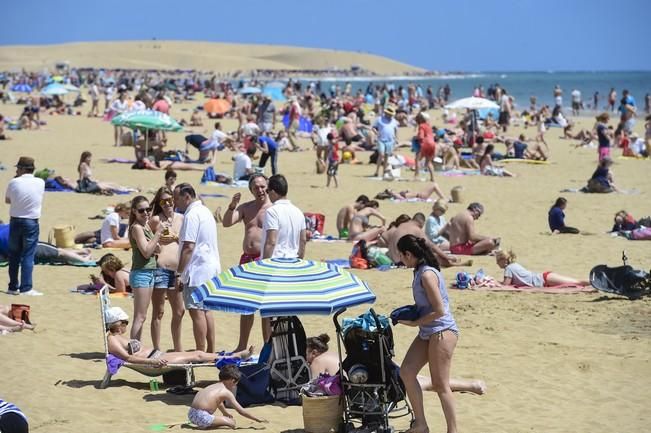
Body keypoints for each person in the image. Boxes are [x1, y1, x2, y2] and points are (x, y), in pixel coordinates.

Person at [396, 234, 459, 433]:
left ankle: (453, 430)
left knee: (441, 385)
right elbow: (427, 305)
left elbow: (440, 310)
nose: (400, 260)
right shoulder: (418, 272)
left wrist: (415, 322)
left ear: (408, 254)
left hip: (441, 331)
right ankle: (421, 424)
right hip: (428, 331)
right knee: (406, 372)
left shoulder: (426, 275)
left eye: (401, 255)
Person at [306, 334, 485, 395]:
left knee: (428, 383)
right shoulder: (331, 354)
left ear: (313, 352)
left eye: (305, 353)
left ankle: (471, 385)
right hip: (382, 367)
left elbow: (312, 389)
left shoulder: (318, 361)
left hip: (373, 378)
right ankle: (471, 384)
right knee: (424, 380)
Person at [221, 174, 272, 351]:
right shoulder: (246, 207)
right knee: (246, 305)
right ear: (251, 190)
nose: (260, 190)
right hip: (247, 259)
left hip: (264, 259)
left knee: (265, 307)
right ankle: (242, 345)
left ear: (268, 186)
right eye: (256, 187)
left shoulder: (273, 209)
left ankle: (267, 345)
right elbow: (226, 223)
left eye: (262, 186)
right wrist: (232, 206)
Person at [105, 307, 252, 365]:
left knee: (197, 354)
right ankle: (235, 356)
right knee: (198, 356)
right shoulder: (112, 340)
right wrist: (152, 362)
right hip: (154, 360)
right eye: (125, 322)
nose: (126, 324)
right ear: (117, 324)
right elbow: (128, 358)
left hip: (157, 355)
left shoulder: (117, 337)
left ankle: (231, 356)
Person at [175, 183, 220, 353]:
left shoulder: (192, 214)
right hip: (209, 266)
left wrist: (179, 273)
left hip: (198, 269)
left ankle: (201, 350)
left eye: (176, 198)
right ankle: (210, 350)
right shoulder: (205, 211)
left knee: (196, 311)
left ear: (187, 197)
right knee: (207, 310)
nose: (174, 203)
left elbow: (188, 246)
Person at [148, 187, 185, 352]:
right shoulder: (156, 220)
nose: (168, 204)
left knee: (179, 311)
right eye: (163, 201)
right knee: (159, 311)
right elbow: (144, 239)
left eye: (170, 200)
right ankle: (156, 348)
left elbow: (189, 241)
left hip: (178, 271)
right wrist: (157, 242)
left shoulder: (182, 218)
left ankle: (177, 348)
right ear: (159, 203)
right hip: (160, 269)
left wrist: (176, 237)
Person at [5, 156, 45, 296]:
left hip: (15, 220)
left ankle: (12, 286)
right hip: (31, 221)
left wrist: (16, 178)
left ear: (21, 169)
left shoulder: (13, 182)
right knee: (28, 255)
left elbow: (7, 200)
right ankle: (26, 287)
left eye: (18, 168)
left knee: (14, 255)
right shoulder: (40, 182)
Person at [128, 195, 164, 342]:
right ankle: (134, 348)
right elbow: (147, 251)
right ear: (134, 212)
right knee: (140, 316)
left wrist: (154, 241)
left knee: (143, 315)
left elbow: (158, 249)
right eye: (141, 210)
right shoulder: (137, 228)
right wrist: (158, 233)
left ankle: (137, 346)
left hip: (149, 272)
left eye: (148, 209)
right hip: (141, 273)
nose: (146, 213)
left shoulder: (145, 227)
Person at [188, 365, 268, 429]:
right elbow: (241, 411)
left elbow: (218, 402)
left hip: (191, 413)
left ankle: (206, 423)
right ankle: (206, 425)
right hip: (202, 417)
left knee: (220, 418)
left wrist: (224, 412)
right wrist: (257, 419)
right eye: (236, 383)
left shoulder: (212, 386)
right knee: (232, 423)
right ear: (233, 381)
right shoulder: (226, 392)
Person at [261, 174, 307, 260]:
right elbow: (303, 240)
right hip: (294, 260)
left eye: (267, 191)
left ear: (273, 192)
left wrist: (264, 264)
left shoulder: (272, 211)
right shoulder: (298, 212)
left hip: (276, 261)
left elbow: (271, 241)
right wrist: (300, 260)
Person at [495, 250, 589, 287]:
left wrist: (494, 282)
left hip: (544, 280)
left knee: (577, 282)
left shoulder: (509, 269)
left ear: (503, 260)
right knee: (576, 282)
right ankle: (593, 282)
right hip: (544, 277)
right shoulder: (514, 265)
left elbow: (506, 286)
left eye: (498, 260)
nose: (496, 263)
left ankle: (595, 282)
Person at [373, 106, 399, 178]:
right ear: (386, 113)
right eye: (389, 114)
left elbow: (396, 130)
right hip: (381, 139)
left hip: (390, 140)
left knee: (387, 156)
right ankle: (377, 171)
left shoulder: (394, 121)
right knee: (381, 154)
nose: (390, 115)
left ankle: (384, 171)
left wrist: (396, 139)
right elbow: (374, 127)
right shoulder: (379, 119)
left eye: (391, 114)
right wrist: (377, 133)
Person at [414, 112, 437, 181]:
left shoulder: (421, 126)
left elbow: (421, 136)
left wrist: (416, 138)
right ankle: (433, 178)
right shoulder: (428, 126)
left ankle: (416, 176)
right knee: (428, 162)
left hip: (425, 143)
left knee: (417, 160)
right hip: (432, 144)